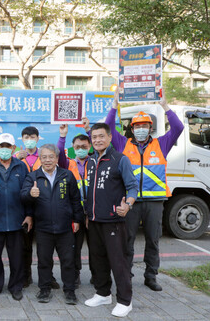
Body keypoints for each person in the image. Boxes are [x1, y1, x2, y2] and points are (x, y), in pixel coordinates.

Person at [106, 91, 183, 292]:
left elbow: (178, 127)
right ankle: (127, 276)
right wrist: (114, 105)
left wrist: (166, 106)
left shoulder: (162, 144)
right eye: (137, 126)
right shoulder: (123, 144)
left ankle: (151, 276)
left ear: (150, 128)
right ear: (131, 129)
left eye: (144, 126)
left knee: (153, 240)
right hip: (131, 202)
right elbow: (108, 128)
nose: (141, 129)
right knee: (127, 241)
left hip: (155, 201)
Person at [84, 123, 138, 318]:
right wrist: (88, 214)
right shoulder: (90, 161)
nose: (97, 140)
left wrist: (128, 205)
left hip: (114, 220)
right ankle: (103, 293)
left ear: (109, 137)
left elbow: (132, 187)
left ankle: (125, 301)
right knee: (97, 260)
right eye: (94, 137)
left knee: (119, 261)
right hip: (94, 220)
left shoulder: (120, 159)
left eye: (101, 136)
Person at [21, 144, 83, 305]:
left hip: (65, 227)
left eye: (51, 157)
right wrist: (30, 193)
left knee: (68, 261)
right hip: (43, 228)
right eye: (44, 157)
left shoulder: (67, 175)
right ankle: (44, 289)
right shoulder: (33, 177)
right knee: (44, 261)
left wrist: (77, 220)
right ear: (39, 159)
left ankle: (69, 291)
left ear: (57, 158)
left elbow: (76, 200)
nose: (47, 160)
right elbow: (22, 196)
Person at [0, 133, 33, 301]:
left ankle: (16, 286)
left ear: (13, 148)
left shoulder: (21, 167)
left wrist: (29, 215)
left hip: (17, 221)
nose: (4, 149)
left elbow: (27, 192)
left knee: (17, 257)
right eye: (1, 146)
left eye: (8, 146)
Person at [15, 126, 59, 289]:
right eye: (26, 136)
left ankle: (49, 277)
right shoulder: (16, 156)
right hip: (24, 207)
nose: (29, 139)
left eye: (32, 136)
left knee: (46, 247)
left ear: (38, 138)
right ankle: (26, 276)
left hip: (44, 207)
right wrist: (17, 159)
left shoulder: (44, 155)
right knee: (25, 246)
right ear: (22, 139)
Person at [57, 119, 95, 286]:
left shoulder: (96, 161)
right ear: (73, 148)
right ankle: (75, 274)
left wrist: (88, 130)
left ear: (89, 147)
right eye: (77, 147)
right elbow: (58, 155)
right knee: (74, 247)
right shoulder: (68, 163)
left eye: (84, 146)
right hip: (75, 213)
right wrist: (62, 136)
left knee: (96, 248)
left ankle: (98, 275)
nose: (81, 149)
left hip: (94, 212)